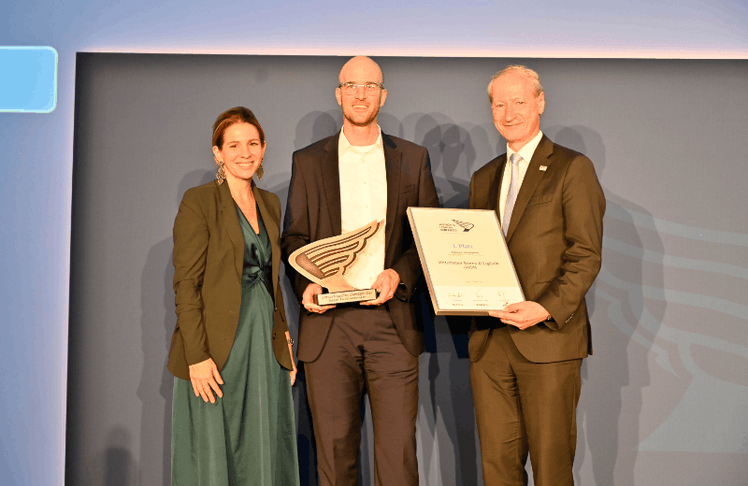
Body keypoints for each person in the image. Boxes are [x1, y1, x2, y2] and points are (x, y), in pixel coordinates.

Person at [281, 56, 439, 486]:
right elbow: (294, 238)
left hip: (393, 323)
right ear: (338, 94)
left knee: (397, 459)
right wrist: (306, 284)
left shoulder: (413, 158)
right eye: (351, 85)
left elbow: (427, 238)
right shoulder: (308, 161)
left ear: (383, 96)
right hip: (330, 326)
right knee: (334, 459)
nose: (360, 94)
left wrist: (399, 274)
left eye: (370, 86)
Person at [468, 65, 606, 486]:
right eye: (499, 104)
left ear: (540, 103)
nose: (509, 114)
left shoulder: (572, 167)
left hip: (548, 340)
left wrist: (544, 309)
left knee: (551, 469)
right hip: (490, 343)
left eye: (519, 102)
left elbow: (585, 255)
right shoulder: (483, 177)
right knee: (497, 470)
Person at [168, 107, 300, 486]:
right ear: (218, 153)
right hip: (217, 347)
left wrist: (285, 339)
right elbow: (186, 284)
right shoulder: (199, 201)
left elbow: (272, 279)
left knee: (264, 446)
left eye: (253, 144)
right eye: (234, 145)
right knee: (218, 450)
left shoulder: (270, 203)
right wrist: (197, 356)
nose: (245, 153)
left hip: (265, 345)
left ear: (263, 149)